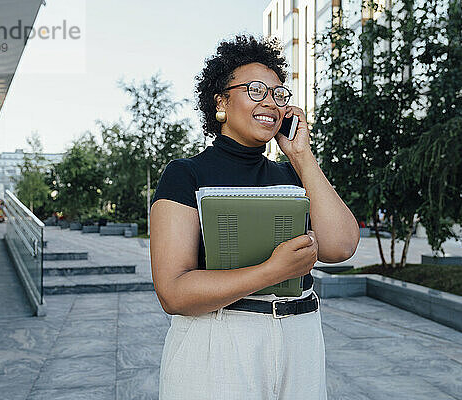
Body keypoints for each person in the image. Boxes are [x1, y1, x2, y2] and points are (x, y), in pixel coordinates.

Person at [150, 35, 359, 400]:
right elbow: (173, 293)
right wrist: (273, 271)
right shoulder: (186, 175)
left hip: (301, 338)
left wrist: (301, 155)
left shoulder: (292, 175)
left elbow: (341, 246)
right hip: (220, 341)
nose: (271, 103)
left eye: (279, 94)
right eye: (256, 90)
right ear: (221, 101)